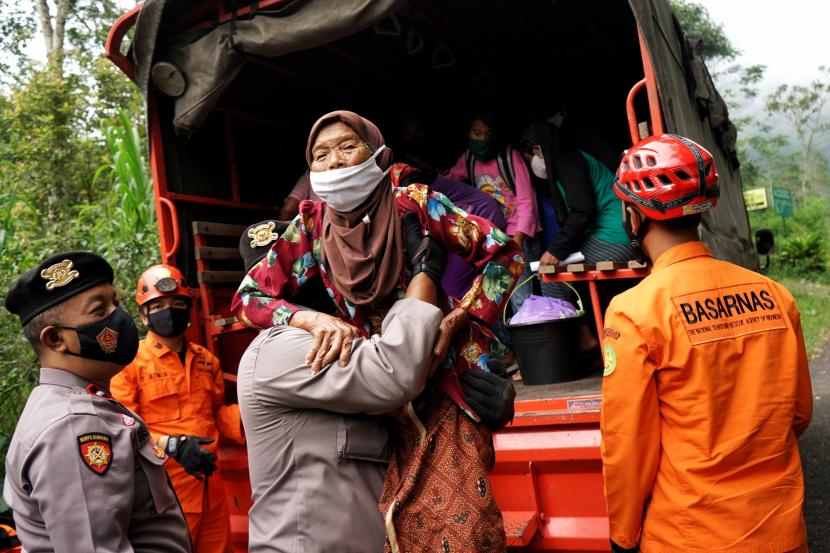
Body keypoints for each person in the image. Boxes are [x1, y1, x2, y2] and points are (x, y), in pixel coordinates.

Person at [233, 110, 523, 552]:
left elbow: (504, 254)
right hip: (383, 389)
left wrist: (463, 316)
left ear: (378, 153)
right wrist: (311, 318)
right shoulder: (312, 224)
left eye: (348, 147)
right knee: (398, 527)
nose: (333, 162)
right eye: (320, 155)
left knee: (463, 528)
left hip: (445, 383)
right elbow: (248, 297)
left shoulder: (415, 203)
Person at [601, 135, 812, 553]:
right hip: (782, 531)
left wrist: (623, 536)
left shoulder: (635, 311)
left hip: (691, 537)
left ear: (632, 215)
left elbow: (629, 446)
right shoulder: (774, 294)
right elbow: (799, 413)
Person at [3, 251, 191, 553]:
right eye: (99, 310)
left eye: (115, 303)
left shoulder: (80, 403)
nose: (118, 316)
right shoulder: (75, 425)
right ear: (55, 340)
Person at [110, 264, 245, 553]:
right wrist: (173, 445)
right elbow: (121, 428)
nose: (169, 311)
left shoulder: (207, 361)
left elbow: (216, 414)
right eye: (158, 305)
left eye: (177, 304)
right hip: (165, 496)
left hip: (212, 489)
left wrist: (255, 417)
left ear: (189, 310)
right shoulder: (130, 364)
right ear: (144, 315)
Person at [448, 112, 541, 311]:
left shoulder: (509, 157)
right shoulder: (469, 159)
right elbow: (451, 184)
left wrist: (518, 240)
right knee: (492, 300)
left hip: (516, 236)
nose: (482, 139)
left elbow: (527, 200)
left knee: (521, 296)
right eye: (477, 133)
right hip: (490, 238)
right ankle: (505, 343)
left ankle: (527, 339)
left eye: (488, 134)